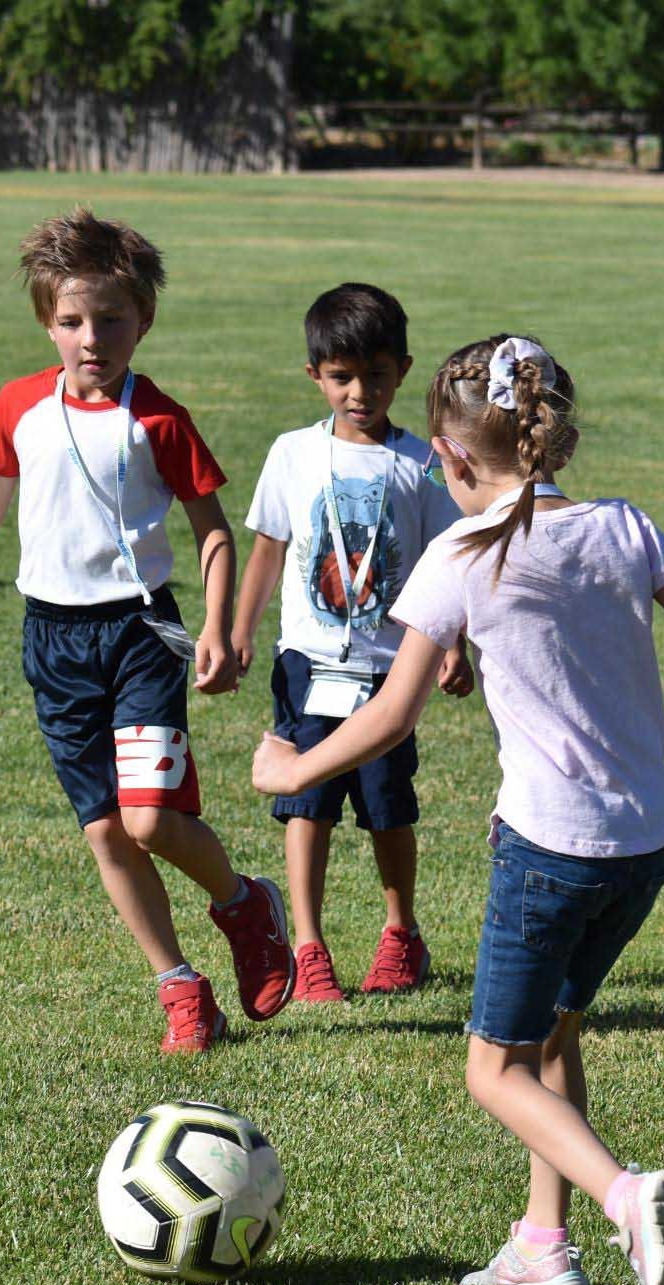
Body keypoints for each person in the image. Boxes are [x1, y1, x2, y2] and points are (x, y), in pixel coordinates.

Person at [253, 333, 664, 1285]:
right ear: (557, 443)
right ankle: (543, 1245)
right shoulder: (624, 526)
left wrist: (294, 769)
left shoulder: (461, 553)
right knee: (555, 1032)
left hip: (549, 851)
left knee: (494, 1067)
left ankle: (627, 1204)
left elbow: (390, 717)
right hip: (641, 846)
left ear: (451, 461)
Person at [0, 209, 292, 1055]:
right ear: (46, 322)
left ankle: (246, 904)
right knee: (104, 829)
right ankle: (181, 987)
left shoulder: (158, 420)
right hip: (53, 643)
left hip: (141, 638)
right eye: (72, 321)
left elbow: (213, 532)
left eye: (111, 319)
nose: (91, 337)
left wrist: (214, 626)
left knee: (147, 821)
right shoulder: (19, 406)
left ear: (144, 320)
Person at [230, 283, 472, 1003]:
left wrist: (456, 644)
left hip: (392, 668)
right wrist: (238, 630)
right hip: (306, 663)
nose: (359, 391)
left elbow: (446, 559)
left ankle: (402, 932)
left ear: (403, 370)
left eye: (376, 374)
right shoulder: (292, 453)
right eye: (341, 377)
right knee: (305, 803)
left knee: (387, 806)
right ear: (315, 376)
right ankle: (308, 944)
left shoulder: (420, 463)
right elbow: (270, 548)